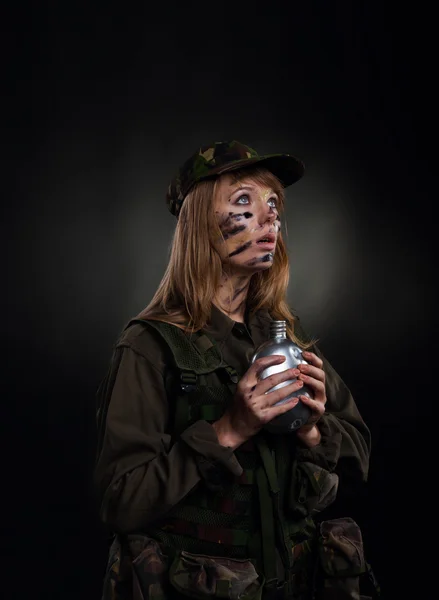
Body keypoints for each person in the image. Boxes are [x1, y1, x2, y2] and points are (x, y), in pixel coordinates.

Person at [94, 140, 377, 600]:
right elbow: (120, 501)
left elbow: (358, 454)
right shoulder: (148, 346)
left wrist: (312, 429)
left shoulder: (284, 335)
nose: (270, 219)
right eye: (244, 201)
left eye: (273, 205)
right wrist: (228, 430)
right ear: (200, 222)